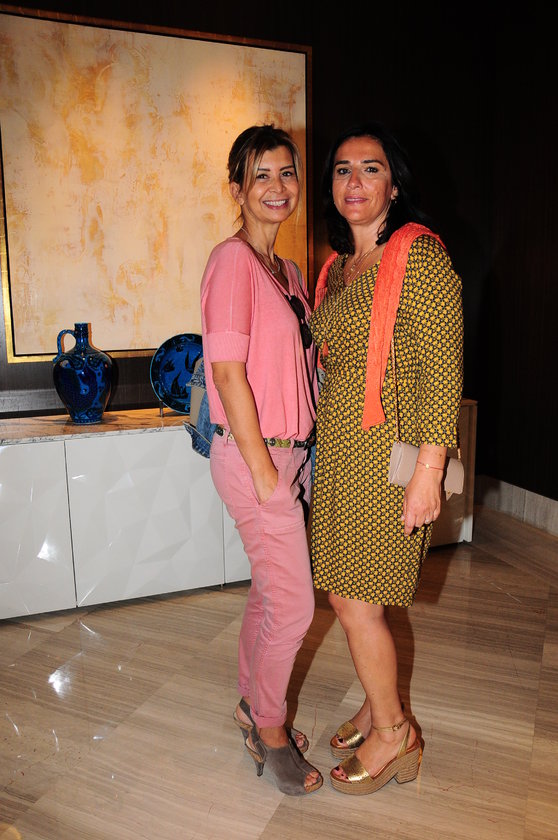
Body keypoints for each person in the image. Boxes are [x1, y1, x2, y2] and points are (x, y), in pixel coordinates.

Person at [309, 122, 463, 795]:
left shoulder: (419, 256)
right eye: (342, 169)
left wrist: (429, 471)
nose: (355, 181)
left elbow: (441, 369)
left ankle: (396, 734)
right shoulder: (338, 268)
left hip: (389, 458)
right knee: (353, 595)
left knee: (355, 601)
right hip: (342, 454)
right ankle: (379, 704)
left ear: (394, 185)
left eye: (370, 168)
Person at [200, 124, 322, 795]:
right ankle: (271, 727)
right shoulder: (232, 261)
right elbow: (227, 373)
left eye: (287, 173)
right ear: (236, 188)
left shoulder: (289, 274)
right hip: (257, 459)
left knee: (271, 592)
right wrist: (266, 473)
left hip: (288, 457)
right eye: (261, 175)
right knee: (296, 608)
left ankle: (251, 703)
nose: (277, 187)